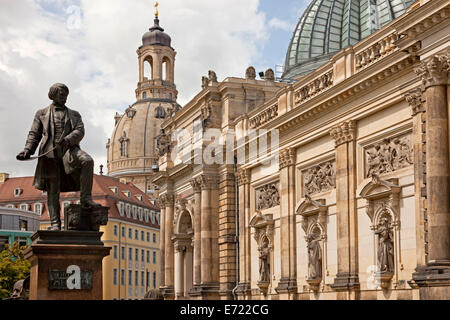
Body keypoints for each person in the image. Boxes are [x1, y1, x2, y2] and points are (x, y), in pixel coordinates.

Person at [17, 83, 99, 231]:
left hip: (69, 150)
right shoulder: (41, 113)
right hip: (49, 153)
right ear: (53, 95)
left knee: (87, 161)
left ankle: (85, 198)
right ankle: (55, 224)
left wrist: (68, 139)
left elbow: (80, 130)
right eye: (62, 95)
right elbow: (34, 134)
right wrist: (27, 150)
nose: (65, 98)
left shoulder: (74, 114)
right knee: (52, 188)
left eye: (66, 95)